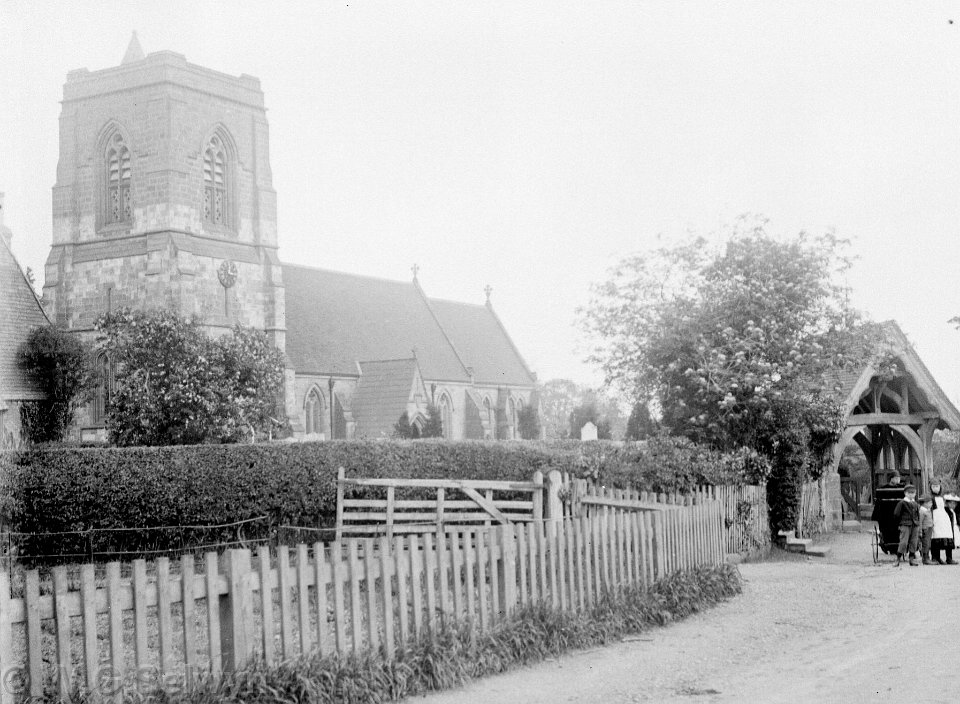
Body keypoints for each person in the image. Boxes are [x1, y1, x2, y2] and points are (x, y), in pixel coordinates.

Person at [929, 479, 957, 565]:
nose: (935, 488)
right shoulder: (930, 497)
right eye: (933, 487)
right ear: (930, 488)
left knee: (948, 535)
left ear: (940, 487)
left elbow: (946, 507)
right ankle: (935, 557)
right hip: (935, 518)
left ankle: (949, 558)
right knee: (936, 536)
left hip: (944, 519)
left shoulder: (943, 497)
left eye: (937, 486)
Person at [893, 484, 921, 566]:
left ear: (915, 494)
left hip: (914, 525)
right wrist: (899, 524)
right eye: (909, 493)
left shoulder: (915, 504)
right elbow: (896, 514)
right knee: (903, 542)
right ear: (905, 493)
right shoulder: (902, 503)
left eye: (913, 493)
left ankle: (911, 560)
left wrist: (917, 523)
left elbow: (917, 514)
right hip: (905, 525)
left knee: (914, 542)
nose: (911, 494)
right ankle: (897, 559)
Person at [919, 496, 935, 565]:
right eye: (930, 503)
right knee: (925, 544)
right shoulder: (922, 511)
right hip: (925, 529)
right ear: (925, 503)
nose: (931, 504)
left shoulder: (927, 510)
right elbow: (920, 522)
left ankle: (927, 558)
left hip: (929, 528)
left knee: (928, 544)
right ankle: (925, 559)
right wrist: (920, 531)